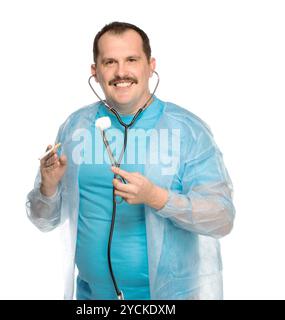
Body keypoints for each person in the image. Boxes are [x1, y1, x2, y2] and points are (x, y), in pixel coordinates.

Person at [26, 21, 235, 300]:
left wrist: (157, 197)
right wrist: (48, 188)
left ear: (151, 66)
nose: (121, 72)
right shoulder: (76, 128)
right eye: (110, 62)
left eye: (131, 60)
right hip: (92, 298)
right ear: (95, 71)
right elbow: (44, 220)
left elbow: (221, 218)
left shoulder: (186, 131)